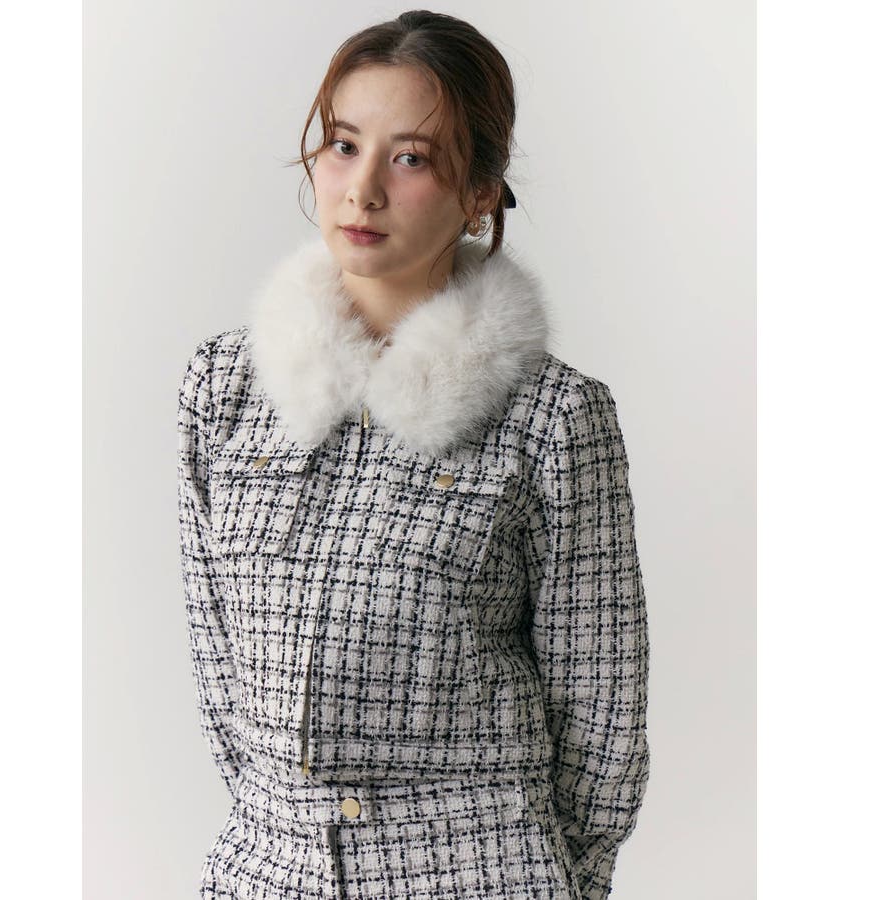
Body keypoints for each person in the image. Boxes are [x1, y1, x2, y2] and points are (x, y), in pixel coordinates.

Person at [177, 10, 650, 900]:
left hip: (482, 874)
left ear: (480, 192)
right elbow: (221, 678)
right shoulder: (225, 390)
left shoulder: (553, 419)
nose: (362, 191)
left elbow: (601, 716)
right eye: (344, 145)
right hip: (266, 872)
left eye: (411, 158)